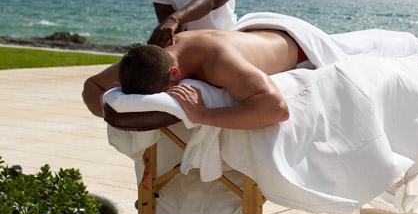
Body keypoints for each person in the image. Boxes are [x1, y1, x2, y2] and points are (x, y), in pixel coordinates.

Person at [82, 28, 305, 129]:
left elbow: (277, 109)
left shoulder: (218, 61)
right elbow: (92, 85)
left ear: (175, 75)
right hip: (249, 34)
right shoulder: (148, 59)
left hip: (295, 44)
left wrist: (204, 115)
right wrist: (107, 111)